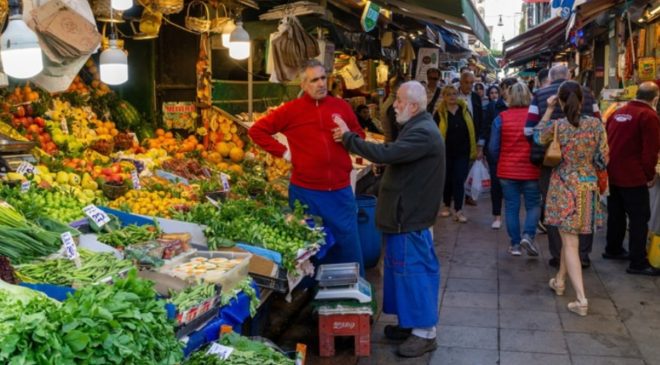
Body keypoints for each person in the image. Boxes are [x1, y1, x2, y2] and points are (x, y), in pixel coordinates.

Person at [332, 81, 444, 358]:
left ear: (414, 106)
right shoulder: (417, 127)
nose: (393, 106)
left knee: (414, 274)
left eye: (398, 101)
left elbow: (388, 153)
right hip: (403, 216)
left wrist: (349, 138)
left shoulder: (423, 133)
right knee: (401, 272)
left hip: (411, 218)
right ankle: (410, 324)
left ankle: (424, 333)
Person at [248, 59, 366, 276]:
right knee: (311, 251)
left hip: (340, 193)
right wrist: (284, 153)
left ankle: (353, 300)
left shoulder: (341, 106)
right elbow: (257, 131)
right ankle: (315, 300)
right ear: (303, 85)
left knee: (348, 247)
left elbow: (361, 135)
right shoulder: (290, 110)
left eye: (323, 78)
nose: (321, 84)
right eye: (314, 80)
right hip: (306, 194)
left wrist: (348, 135)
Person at [535, 81, 609, 316]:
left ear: (561, 100)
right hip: (587, 186)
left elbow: (537, 137)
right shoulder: (596, 125)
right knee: (572, 240)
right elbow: (603, 159)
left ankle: (581, 299)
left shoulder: (558, 126)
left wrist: (547, 109)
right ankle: (559, 281)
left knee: (569, 243)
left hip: (564, 186)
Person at [525, 64, 601, 269]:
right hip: (586, 171)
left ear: (550, 78)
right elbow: (601, 144)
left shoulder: (541, 96)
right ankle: (582, 256)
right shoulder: (590, 99)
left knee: (555, 211)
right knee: (584, 211)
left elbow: (530, 132)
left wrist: (549, 110)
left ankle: (559, 256)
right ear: (569, 76)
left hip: (554, 166)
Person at [605, 82, 660, 276]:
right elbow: (650, 152)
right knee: (639, 218)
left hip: (612, 171)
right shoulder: (649, 116)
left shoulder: (618, 112)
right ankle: (638, 261)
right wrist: (649, 175)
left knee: (616, 213)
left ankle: (613, 248)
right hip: (633, 175)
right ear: (655, 98)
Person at [489, 82, 541, 256]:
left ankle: (515, 244)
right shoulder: (536, 117)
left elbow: (493, 148)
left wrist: (500, 161)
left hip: (506, 170)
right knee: (533, 205)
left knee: (511, 207)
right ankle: (528, 235)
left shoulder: (501, 117)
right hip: (531, 170)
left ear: (509, 97)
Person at [435, 85, 477, 223]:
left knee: (459, 180)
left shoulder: (464, 110)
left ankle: (458, 210)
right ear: (444, 97)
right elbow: (434, 132)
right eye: (449, 94)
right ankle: (447, 205)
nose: (452, 97)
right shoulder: (439, 113)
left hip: (462, 152)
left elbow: (471, 129)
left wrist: (475, 148)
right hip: (445, 152)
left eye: (454, 94)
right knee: (447, 179)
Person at [458, 71, 484, 206]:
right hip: (457, 137)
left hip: (472, 136)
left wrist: (480, 141)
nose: (469, 86)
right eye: (466, 82)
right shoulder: (454, 95)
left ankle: (468, 195)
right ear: (461, 82)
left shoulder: (475, 97)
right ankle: (456, 193)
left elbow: (480, 118)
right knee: (457, 167)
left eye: (471, 83)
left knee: (470, 166)